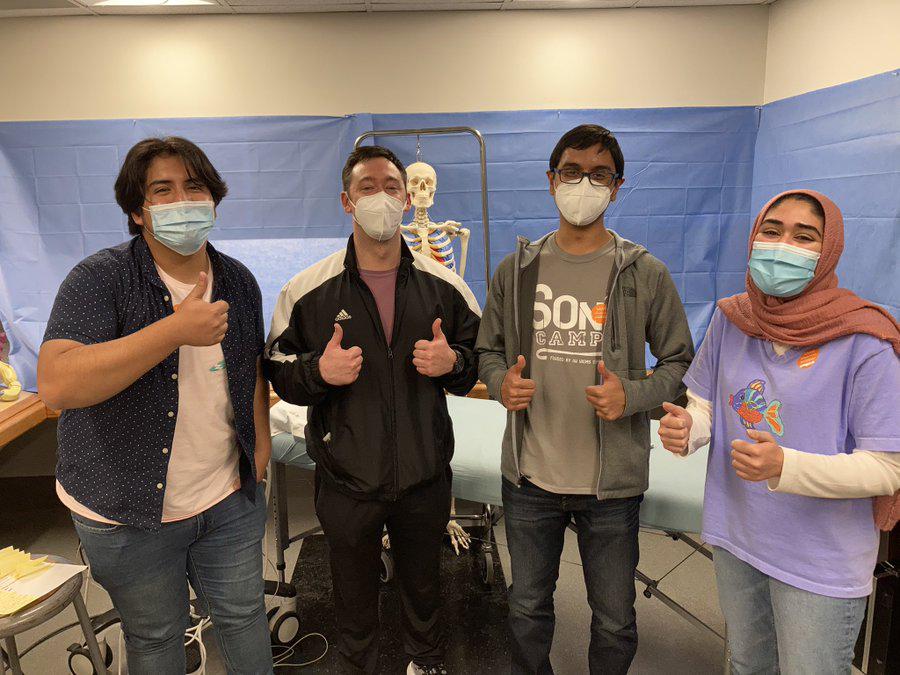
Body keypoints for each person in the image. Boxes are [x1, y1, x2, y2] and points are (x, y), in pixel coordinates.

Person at [38, 137, 273, 675]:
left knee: (242, 618)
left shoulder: (237, 279)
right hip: (124, 510)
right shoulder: (101, 278)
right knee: (156, 636)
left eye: (194, 186)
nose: (182, 200)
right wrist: (173, 331)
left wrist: (259, 445)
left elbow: (250, 369)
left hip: (227, 496)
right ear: (136, 211)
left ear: (214, 198)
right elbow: (57, 383)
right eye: (161, 190)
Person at [475, 124, 694, 674]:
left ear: (615, 187)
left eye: (598, 174)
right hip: (530, 479)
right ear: (551, 180)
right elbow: (488, 350)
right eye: (572, 172)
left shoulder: (644, 274)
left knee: (615, 619)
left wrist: (633, 395)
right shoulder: (517, 271)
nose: (583, 183)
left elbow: (679, 365)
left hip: (611, 486)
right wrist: (501, 382)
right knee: (526, 608)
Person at [658, 189, 900, 674]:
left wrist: (786, 466)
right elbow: (707, 405)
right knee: (748, 663)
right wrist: (690, 428)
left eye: (803, 236)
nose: (782, 245)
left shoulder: (865, 342)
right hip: (739, 536)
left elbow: (887, 470)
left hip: (820, 560)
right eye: (772, 231)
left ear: (827, 251)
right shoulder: (734, 320)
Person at [263, 146, 481, 675]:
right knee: (353, 591)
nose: (380, 197)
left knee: (424, 585)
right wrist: (319, 372)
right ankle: (357, 664)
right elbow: (279, 369)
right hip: (346, 480)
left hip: (425, 475)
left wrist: (452, 363)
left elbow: (479, 363)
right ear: (346, 200)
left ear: (406, 200)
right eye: (367, 187)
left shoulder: (446, 286)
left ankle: (424, 662)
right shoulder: (307, 290)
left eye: (390, 187)